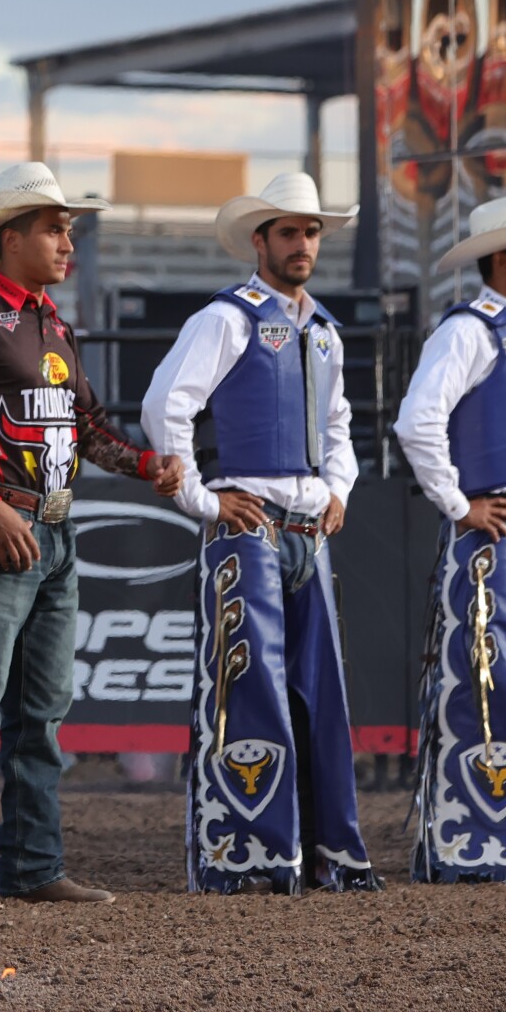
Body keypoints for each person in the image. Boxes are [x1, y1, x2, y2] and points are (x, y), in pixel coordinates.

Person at [0, 162, 184, 910]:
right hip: (0, 532)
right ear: (11, 236)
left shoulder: (54, 322)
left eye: (69, 228)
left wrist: (146, 466)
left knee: (43, 711)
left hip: (57, 533)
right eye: (55, 228)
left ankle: (34, 865)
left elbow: (89, 427)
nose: (69, 241)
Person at [142, 172, 375, 895]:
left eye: (310, 232)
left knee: (319, 694)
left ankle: (322, 850)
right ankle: (251, 855)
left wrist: (340, 488)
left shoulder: (325, 329)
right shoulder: (228, 318)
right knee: (252, 689)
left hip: (308, 525)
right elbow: (164, 404)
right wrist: (202, 501)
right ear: (260, 240)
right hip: (250, 530)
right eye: (289, 232)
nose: (302, 243)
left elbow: (340, 427)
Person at [394, 194, 506, 882]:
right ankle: (481, 837)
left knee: (504, 674)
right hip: (497, 529)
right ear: (505, 259)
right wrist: (458, 504)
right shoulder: (470, 330)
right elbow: (418, 419)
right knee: (489, 676)